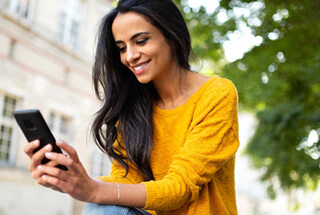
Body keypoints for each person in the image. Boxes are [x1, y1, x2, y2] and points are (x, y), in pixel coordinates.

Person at [24, 0, 240, 214]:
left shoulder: (216, 94)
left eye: (141, 41)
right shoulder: (132, 106)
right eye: (121, 48)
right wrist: (67, 181)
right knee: (102, 208)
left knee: (100, 207)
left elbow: (179, 187)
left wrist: (93, 190)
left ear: (172, 36)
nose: (130, 56)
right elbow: (125, 181)